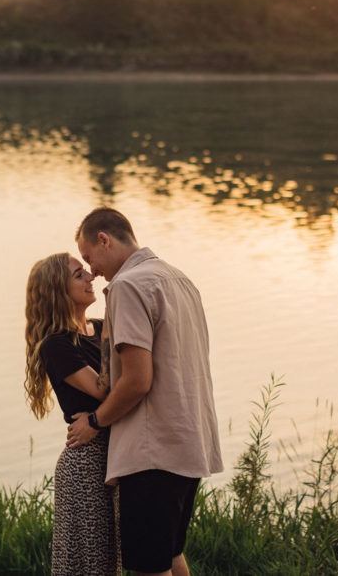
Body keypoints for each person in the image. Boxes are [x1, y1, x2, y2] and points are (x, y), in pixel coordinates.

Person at [66, 207, 223, 576]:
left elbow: (138, 379)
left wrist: (95, 420)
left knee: (148, 568)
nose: (93, 272)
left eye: (90, 258)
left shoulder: (128, 285)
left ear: (104, 239)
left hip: (154, 450)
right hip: (190, 442)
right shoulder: (180, 279)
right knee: (169, 556)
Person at [24, 252, 121, 576]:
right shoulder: (58, 345)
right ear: (58, 290)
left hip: (117, 455)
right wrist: (113, 334)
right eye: (79, 274)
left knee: (113, 562)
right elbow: (105, 389)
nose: (91, 277)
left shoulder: (101, 326)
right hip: (86, 464)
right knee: (88, 565)